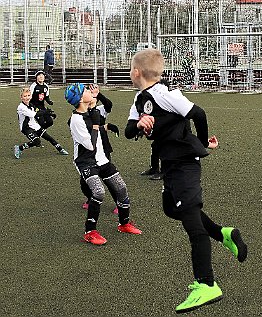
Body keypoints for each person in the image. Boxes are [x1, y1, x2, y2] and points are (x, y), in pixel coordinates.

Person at [125, 49, 247, 313]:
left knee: (191, 220)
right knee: (171, 209)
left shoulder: (168, 95)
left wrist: (202, 143)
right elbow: (127, 131)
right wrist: (139, 124)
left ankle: (207, 284)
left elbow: (199, 113)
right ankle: (224, 233)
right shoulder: (138, 99)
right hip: (169, 163)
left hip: (185, 163)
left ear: (136, 72)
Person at [65, 82, 142, 245]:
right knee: (98, 192)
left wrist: (104, 126)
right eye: (85, 90)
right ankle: (90, 231)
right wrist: (95, 124)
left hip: (102, 159)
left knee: (121, 188)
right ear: (80, 98)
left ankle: (124, 224)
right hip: (86, 162)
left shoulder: (90, 111)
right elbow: (90, 145)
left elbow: (98, 124)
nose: (89, 91)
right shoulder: (76, 120)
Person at [79, 84, 120, 215]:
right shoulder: (81, 113)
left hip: (103, 147)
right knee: (84, 179)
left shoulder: (101, 109)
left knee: (108, 178)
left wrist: (98, 94)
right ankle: (90, 198)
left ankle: (119, 203)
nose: (91, 95)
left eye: (93, 94)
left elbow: (109, 105)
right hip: (87, 149)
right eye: (89, 93)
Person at [14, 87, 68, 159]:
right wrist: (45, 112)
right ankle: (19, 148)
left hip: (34, 125)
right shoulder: (21, 107)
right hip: (26, 128)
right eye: (25, 96)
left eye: (28, 95)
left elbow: (38, 111)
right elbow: (35, 114)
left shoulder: (31, 105)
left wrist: (49, 114)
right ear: (21, 97)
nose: (27, 98)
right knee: (37, 141)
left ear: (31, 96)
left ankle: (60, 149)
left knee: (48, 137)